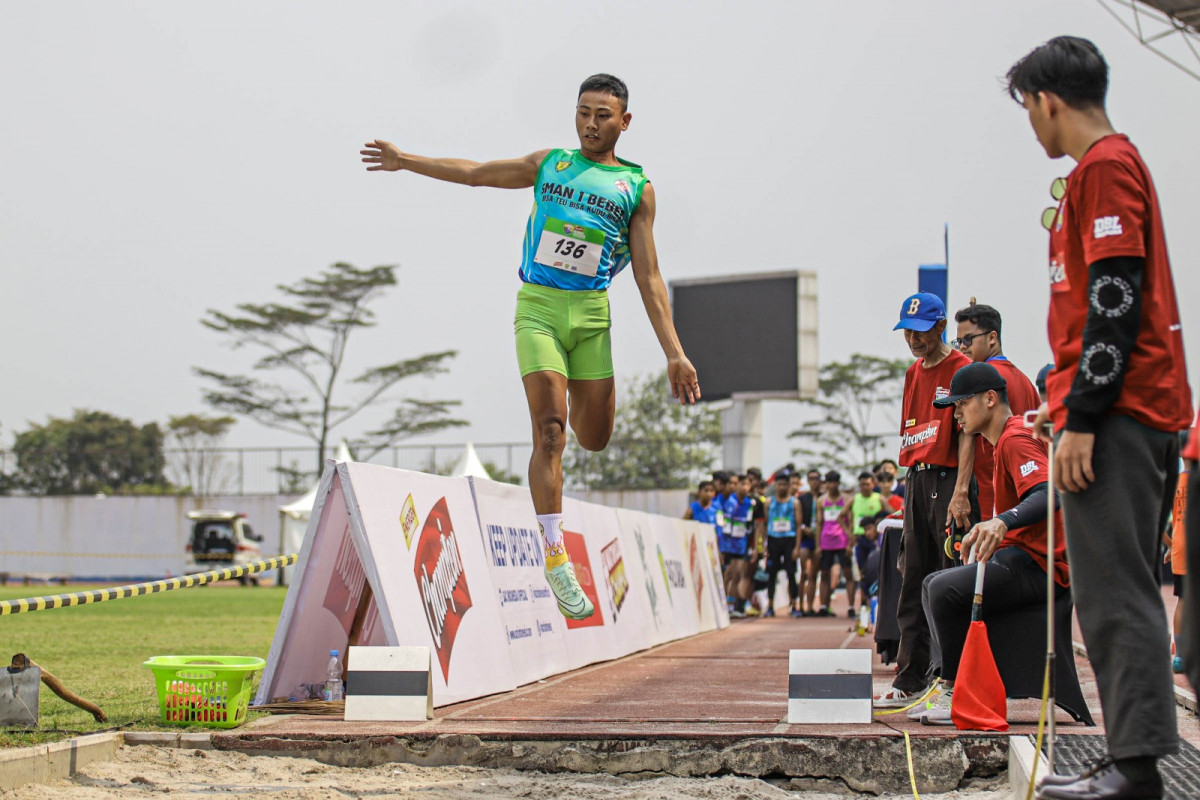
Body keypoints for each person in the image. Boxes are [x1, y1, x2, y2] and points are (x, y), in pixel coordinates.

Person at [362, 74, 700, 621]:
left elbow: (649, 277)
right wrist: (406, 161)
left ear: (624, 122)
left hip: (591, 317)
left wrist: (674, 353)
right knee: (550, 431)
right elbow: (475, 173)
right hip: (538, 309)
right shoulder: (550, 165)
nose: (591, 124)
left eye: (603, 116)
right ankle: (555, 554)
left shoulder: (636, 189)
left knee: (594, 438)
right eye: (583, 112)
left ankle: (575, 447)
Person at [1008, 37, 1192, 798]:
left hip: (1122, 414)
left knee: (1116, 593)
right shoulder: (1103, 169)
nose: (1031, 124)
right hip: (1114, 407)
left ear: (1047, 101)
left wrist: (1082, 415)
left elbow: (1115, 299)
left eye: (1027, 109)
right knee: (1110, 591)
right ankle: (1129, 758)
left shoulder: (1106, 168)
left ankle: (1137, 768)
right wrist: (1063, 403)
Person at [912, 362, 1069, 726]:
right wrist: (987, 530)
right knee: (932, 583)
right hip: (1020, 558)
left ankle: (957, 691)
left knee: (943, 590)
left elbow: (1049, 494)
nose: (956, 414)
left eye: (962, 403)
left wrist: (1001, 521)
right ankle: (947, 684)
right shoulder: (1001, 442)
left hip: (1041, 566)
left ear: (989, 399)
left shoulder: (1015, 439)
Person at [875, 292, 978, 709]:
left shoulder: (963, 369)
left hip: (950, 479)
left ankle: (952, 679)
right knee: (912, 576)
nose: (913, 340)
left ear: (940, 327)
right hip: (917, 479)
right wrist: (908, 491)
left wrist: (961, 491)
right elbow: (913, 432)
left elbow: (968, 434)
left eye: (920, 332)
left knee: (950, 578)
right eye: (907, 332)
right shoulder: (912, 373)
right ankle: (910, 676)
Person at [953, 301, 1042, 520]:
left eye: (968, 339)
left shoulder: (979, 382)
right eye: (958, 341)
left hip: (992, 497)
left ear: (992, 337)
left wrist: (960, 491)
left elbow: (967, 439)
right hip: (1024, 495)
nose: (962, 347)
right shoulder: (1026, 382)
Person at [840, 472, 884, 616]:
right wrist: (849, 534)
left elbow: (891, 512)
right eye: (862, 484)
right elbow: (840, 517)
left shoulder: (879, 498)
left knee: (876, 572)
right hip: (860, 540)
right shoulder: (854, 499)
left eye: (867, 484)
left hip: (875, 540)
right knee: (861, 574)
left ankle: (876, 605)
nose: (865, 487)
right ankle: (863, 606)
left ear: (873, 484)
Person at [727, 473, 765, 617]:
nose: (744, 487)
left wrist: (757, 547)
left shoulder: (754, 503)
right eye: (741, 483)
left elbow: (758, 526)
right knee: (731, 573)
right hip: (729, 543)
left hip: (745, 543)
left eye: (747, 484)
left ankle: (739, 605)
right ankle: (728, 603)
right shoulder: (729, 501)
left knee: (742, 573)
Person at [763, 472, 801, 618]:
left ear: (789, 486)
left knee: (791, 573)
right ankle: (770, 606)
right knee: (772, 574)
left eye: (784, 484)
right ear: (775, 485)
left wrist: (797, 547)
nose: (782, 487)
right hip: (773, 540)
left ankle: (794, 605)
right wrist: (765, 545)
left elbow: (798, 526)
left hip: (789, 540)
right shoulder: (769, 502)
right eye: (779, 484)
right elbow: (765, 524)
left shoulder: (794, 503)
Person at [815, 470, 851, 617]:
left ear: (838, 483)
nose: (832, 485)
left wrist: (850, 543)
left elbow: (850, 522)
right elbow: (819, 523)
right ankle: (824, 606)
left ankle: (851, 607)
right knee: (824, 573)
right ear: (826, 483)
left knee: (847, 573)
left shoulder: (846, 499)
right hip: (826, 541)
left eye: (835, 482)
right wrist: (818, 545)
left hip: (842, 541)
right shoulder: (821, 501)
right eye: (830, 482)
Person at [793, 468, 822, 616]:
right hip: (805, 539)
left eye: (816, 478)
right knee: (804, 573)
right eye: (811, 479)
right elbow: (798, 522)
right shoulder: (802, 498)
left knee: (813, 575)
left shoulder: (823, 497)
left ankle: (810, 607)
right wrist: (805, 529)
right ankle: (800, 606)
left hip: (819, 540)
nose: (814, 481)